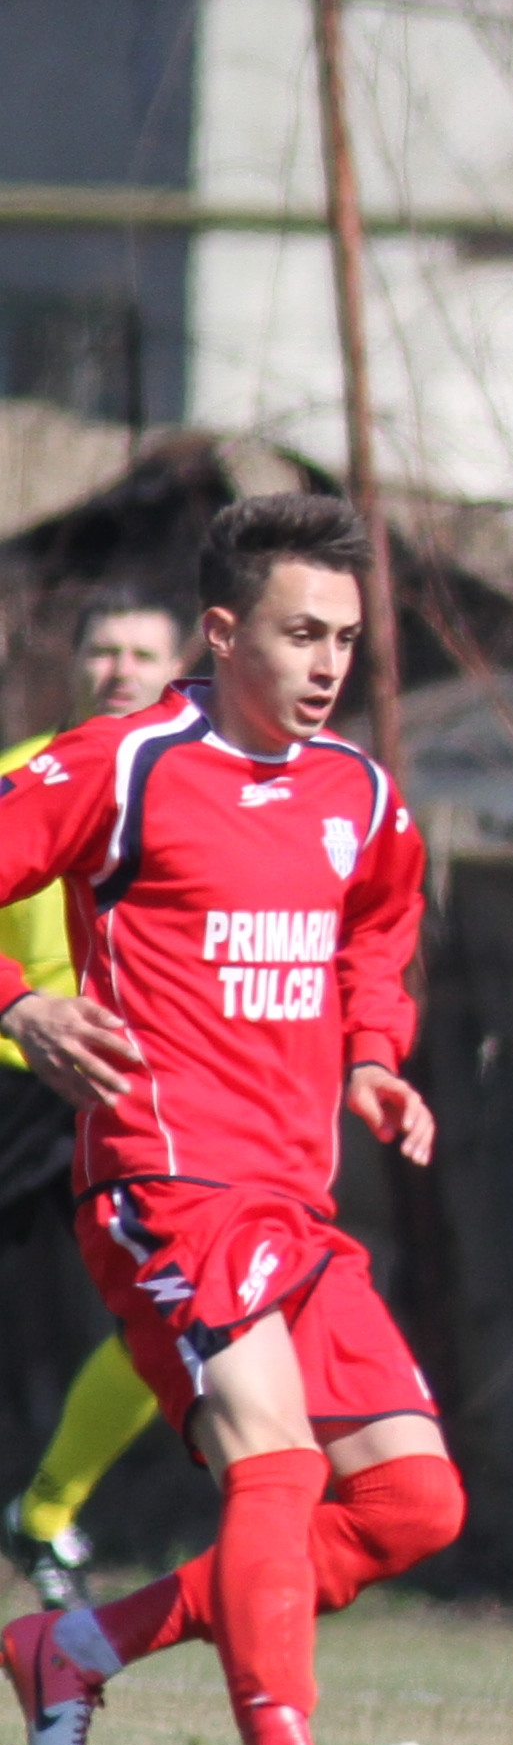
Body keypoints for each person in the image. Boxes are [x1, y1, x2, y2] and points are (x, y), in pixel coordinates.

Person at [0, 494, 459, 1745]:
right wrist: (20, 1004)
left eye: (348, 640)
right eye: (301, 633)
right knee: (276, 1456)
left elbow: (381, 924)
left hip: (292, 1205)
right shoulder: (127, 763)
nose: (328, 665)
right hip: (164, 1180)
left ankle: (74, 1646)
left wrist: (375, 1055)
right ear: (223, 631)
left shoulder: (359, 797)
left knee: (411, 1504)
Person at [0, 591, 194, 1605]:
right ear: (75, 666)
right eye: (103, 650)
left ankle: (45, 1512)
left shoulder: (198, 791)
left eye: (141, 651)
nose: (120, 668)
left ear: (183, 662)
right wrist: (23, 1007)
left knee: (177, 1309)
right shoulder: (24, 774)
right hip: (14, 1076)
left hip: (127, 1095)